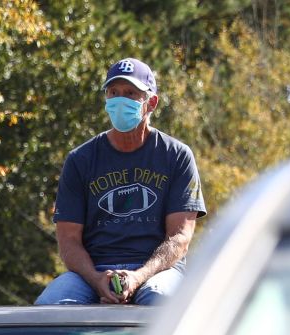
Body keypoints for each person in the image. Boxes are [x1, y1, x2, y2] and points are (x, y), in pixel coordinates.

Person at [35, 58, 206, 307]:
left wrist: (138, 277)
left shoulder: (176, 156)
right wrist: (96, 278)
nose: (119, 100)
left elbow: (180, 236)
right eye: (113, 93)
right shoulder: (80, 160)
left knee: (163, 302)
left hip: (158, 272)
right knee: (50, 307)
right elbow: (68, 240)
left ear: (151, 103)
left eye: (130, 93)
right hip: (92, 273)